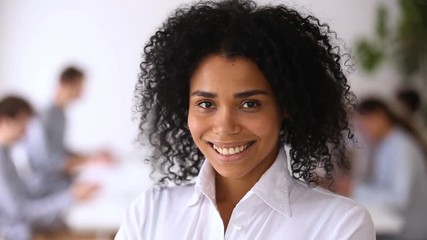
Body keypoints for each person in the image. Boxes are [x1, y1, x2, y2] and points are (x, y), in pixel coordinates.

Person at [116, 0, 375, 239]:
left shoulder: (339, 226)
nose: (225, 126)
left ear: (285, 106)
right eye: (206, 104)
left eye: (249, 104)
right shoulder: (149, 214)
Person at [0, 95, 98, 240]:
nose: (26, 132)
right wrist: (69, 196)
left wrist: (70, 191)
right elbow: (20, 213)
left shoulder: (7, 154)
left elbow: (28, 195)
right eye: (23, 123)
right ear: (5, 121)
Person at [25, 66, 113, 196]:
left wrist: (93, 155)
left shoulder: (61, 115)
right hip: (45, 189)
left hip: (61, 182)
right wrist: (90, 159)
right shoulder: (44, 116)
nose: (82, 92)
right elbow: (49, 162)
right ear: (66, 83)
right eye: (79, 86)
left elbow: (61, 151)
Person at [354, 97, 427, 240]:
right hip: (395, 222)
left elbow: (400, 200)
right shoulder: (385, 145)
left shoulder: (401, 148)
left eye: (365, 124)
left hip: (409, 229)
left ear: (380, 116)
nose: (363, 131)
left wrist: (354, 188)